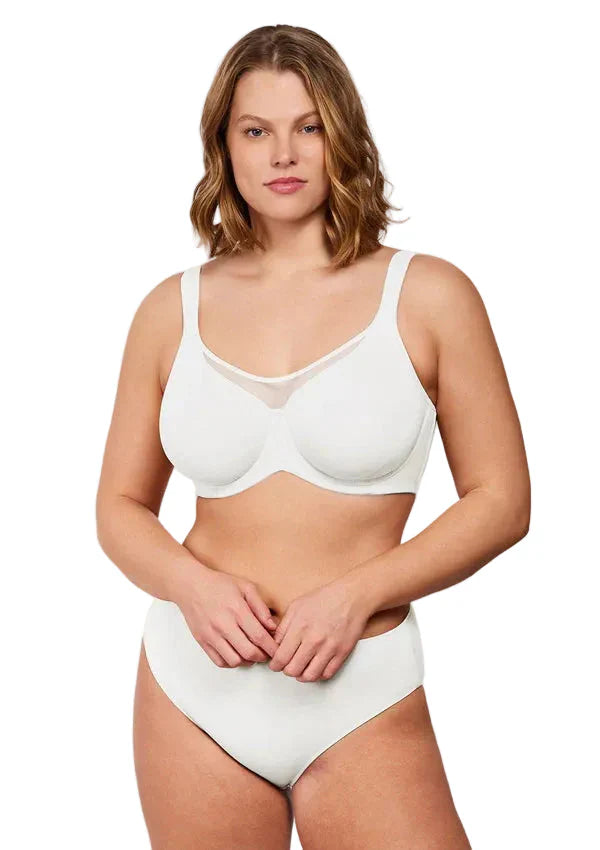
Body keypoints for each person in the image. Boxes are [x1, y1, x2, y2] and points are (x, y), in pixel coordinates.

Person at [95, 24, 530, 850]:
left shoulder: (429, 296)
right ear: (224, 146)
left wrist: (358, 594)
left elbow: (503, 502)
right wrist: (191, 586)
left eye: (309, 126)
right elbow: (118, 506)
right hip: (195, 688)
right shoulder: (169, 311)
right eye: (256, 130)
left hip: (361, 686)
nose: (284, 153)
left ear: (343, 135)